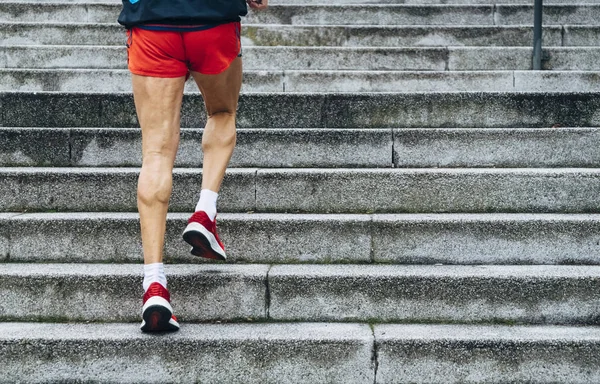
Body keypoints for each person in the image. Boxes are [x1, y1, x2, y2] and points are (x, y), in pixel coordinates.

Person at [117, 0, 269, 332]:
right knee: (222, 113)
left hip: (152, 24)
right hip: (212, 19)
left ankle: (155, 285)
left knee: (156, 151)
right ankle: (204, 210)